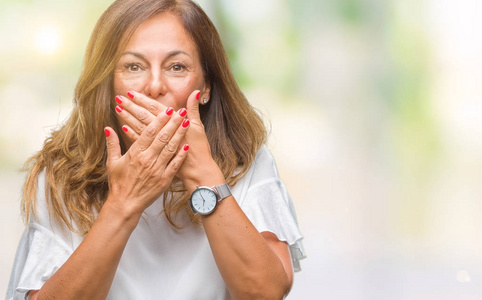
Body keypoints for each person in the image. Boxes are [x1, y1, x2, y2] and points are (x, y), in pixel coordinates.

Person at [6, 0, 305, 299]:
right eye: (133, 66)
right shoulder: (62, 173)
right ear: (109, 83)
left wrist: (204, 175)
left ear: (207, 86)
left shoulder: (247, 162)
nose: (154, 85)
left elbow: (266, 292)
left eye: (177, 67)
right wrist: (124, 203)